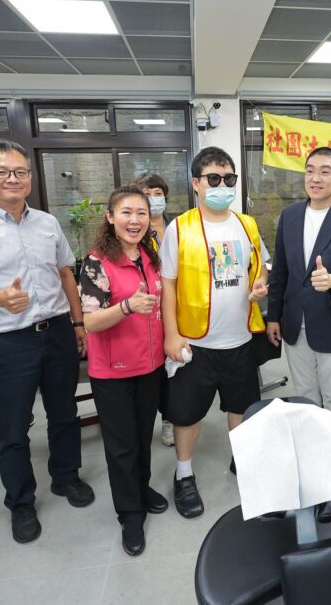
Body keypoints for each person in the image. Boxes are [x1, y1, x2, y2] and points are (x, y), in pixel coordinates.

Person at [0, 139, 93, 545]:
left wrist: (78, 323)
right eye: (2, 172)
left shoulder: (47, 222)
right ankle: (21, 502)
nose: (13, 179)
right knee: (13, 428)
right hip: (9, 343)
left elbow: (66, 275)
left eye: (20, 172)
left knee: (63, 414)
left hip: (58, 331)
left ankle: (66, 477)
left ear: (30, 177)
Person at [160, 147, 269, 519]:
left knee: (241, 406)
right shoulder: (180, 228)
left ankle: (243, 460)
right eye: (214, 179)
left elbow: (260, 268)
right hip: (195, 341)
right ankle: (184, 473)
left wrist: (260, 287)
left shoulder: (247, 224)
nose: (223, 186)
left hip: (239, 338)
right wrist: (170, 335)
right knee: (187, 413)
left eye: (229, 179)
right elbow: (168, 286)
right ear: (196, 183)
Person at [80, 185, 169, 556]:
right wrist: (128, 307)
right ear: (110, 217)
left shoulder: (151, 255)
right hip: (113, 370)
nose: (134, 220)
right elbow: (91, 322)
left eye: (141, 213)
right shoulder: (97, 262)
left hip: (150, 365)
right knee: (121, 446)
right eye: (127, 213)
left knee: (143, 436)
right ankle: (129, 513)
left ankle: (142, 487)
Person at [267, 147, 331, 417]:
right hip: (293, 324)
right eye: (310, 171)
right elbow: (280, 271)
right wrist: (273, 317)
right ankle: (310, 452)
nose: (316, 178)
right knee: (304, 397)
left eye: (325, 172)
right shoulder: (290, 216)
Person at [135, 172, 174, 448]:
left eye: (158, 193)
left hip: (176, 306)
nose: (154, 198)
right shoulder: (135, 231)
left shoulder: (179, 227)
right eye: (148, 193)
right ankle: (151, 417)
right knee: (153, 371)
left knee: (176, 368)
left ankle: (171, 418)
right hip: (145, 309)